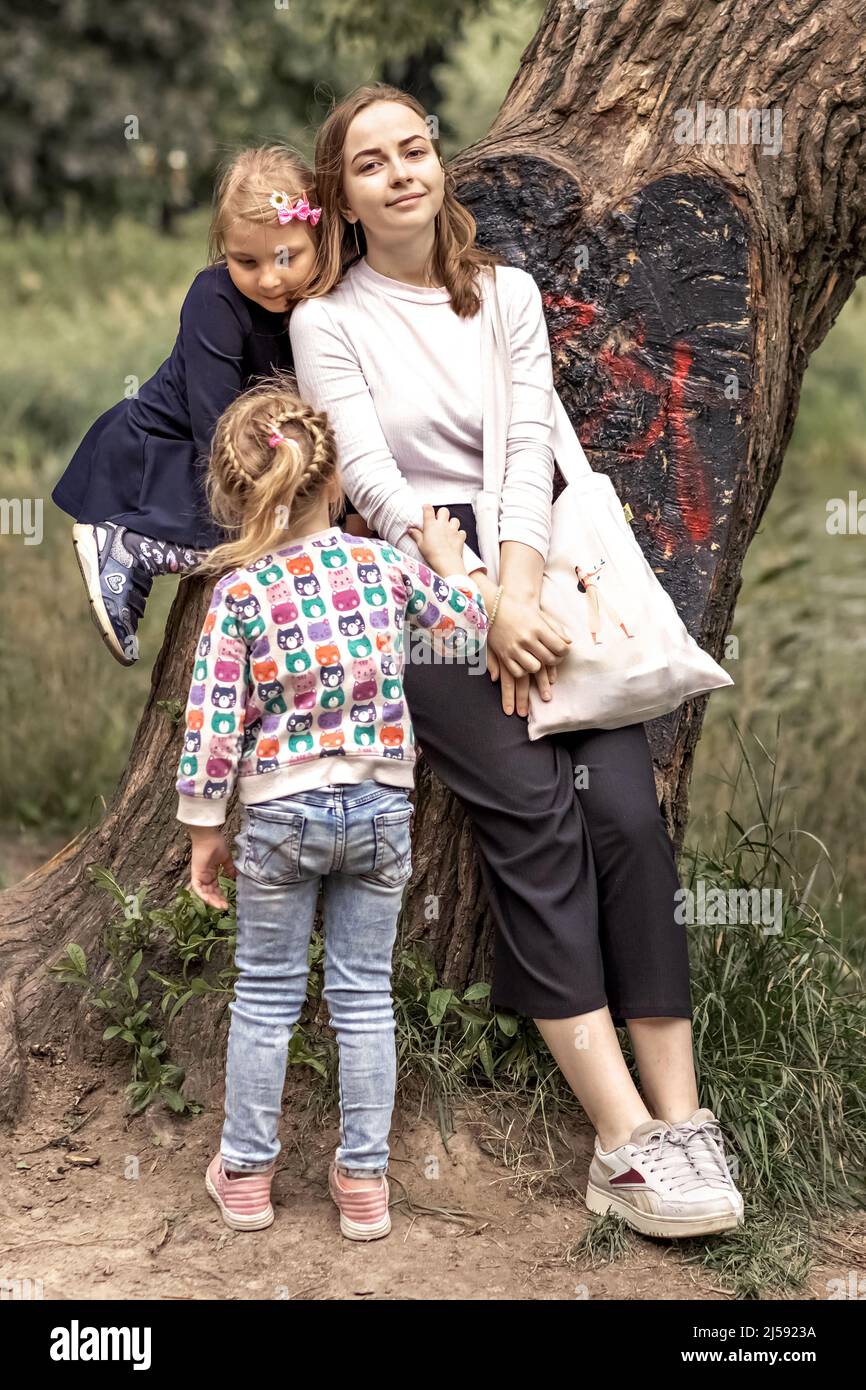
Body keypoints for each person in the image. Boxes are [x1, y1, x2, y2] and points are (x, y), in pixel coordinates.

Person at [287, 81, 744, 1239]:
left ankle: (682, 1117)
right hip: (419, 584)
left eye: (415, 149)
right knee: (537, 816)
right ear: (341, 198)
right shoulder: (327, 320)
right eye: (371, 162)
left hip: (535, 558)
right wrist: (476, 601)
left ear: (438, 167)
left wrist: (520, 585)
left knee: (626, 820)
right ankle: (623, 1142)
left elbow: (526, 442)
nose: (401, 171)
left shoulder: (506, 296)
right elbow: (372, 481)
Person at [173, 373, 489, 1239]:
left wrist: (205, 832)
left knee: (266, 997)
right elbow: (463, 624)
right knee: (363, 999)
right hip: (383, 809)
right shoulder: (383, 564)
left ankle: (244, 1175)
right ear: (338, 480)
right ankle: (364, 1186)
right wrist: (450, 559)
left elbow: (211, 725)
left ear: (235, 500)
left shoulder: (239, 593)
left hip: (278, 816)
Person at [51, 145, 323, 666]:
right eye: (247, 261)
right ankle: (131, 543)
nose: (269, 278)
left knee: (283, 521)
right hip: (171, 446)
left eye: (287, 257)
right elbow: (216, 424)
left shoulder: (323, 296)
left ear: (318, 236)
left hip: (243, 445)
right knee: (257, 535)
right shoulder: (214, 298)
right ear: (223, 249)